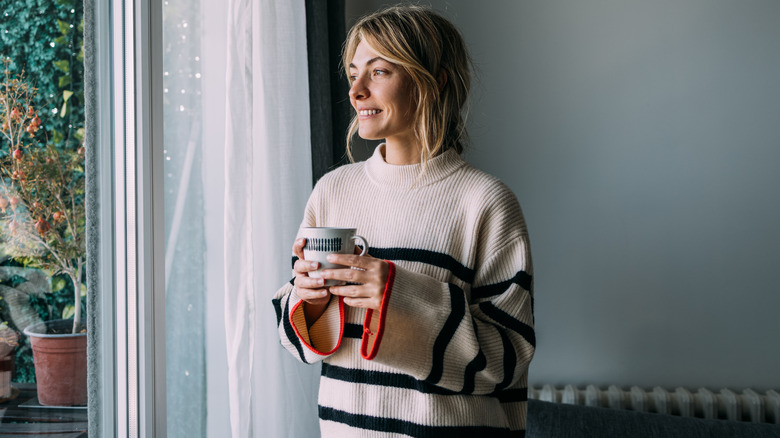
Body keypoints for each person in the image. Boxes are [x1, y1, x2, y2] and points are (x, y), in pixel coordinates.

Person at [272, 5, 534, 437]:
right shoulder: (331, 191)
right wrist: (309, 303)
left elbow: (505, 362)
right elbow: (297, 338)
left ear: (433, 82)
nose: (355, 91)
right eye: (354, 72)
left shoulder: (485, 203)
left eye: (378, 71)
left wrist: (398, 293)